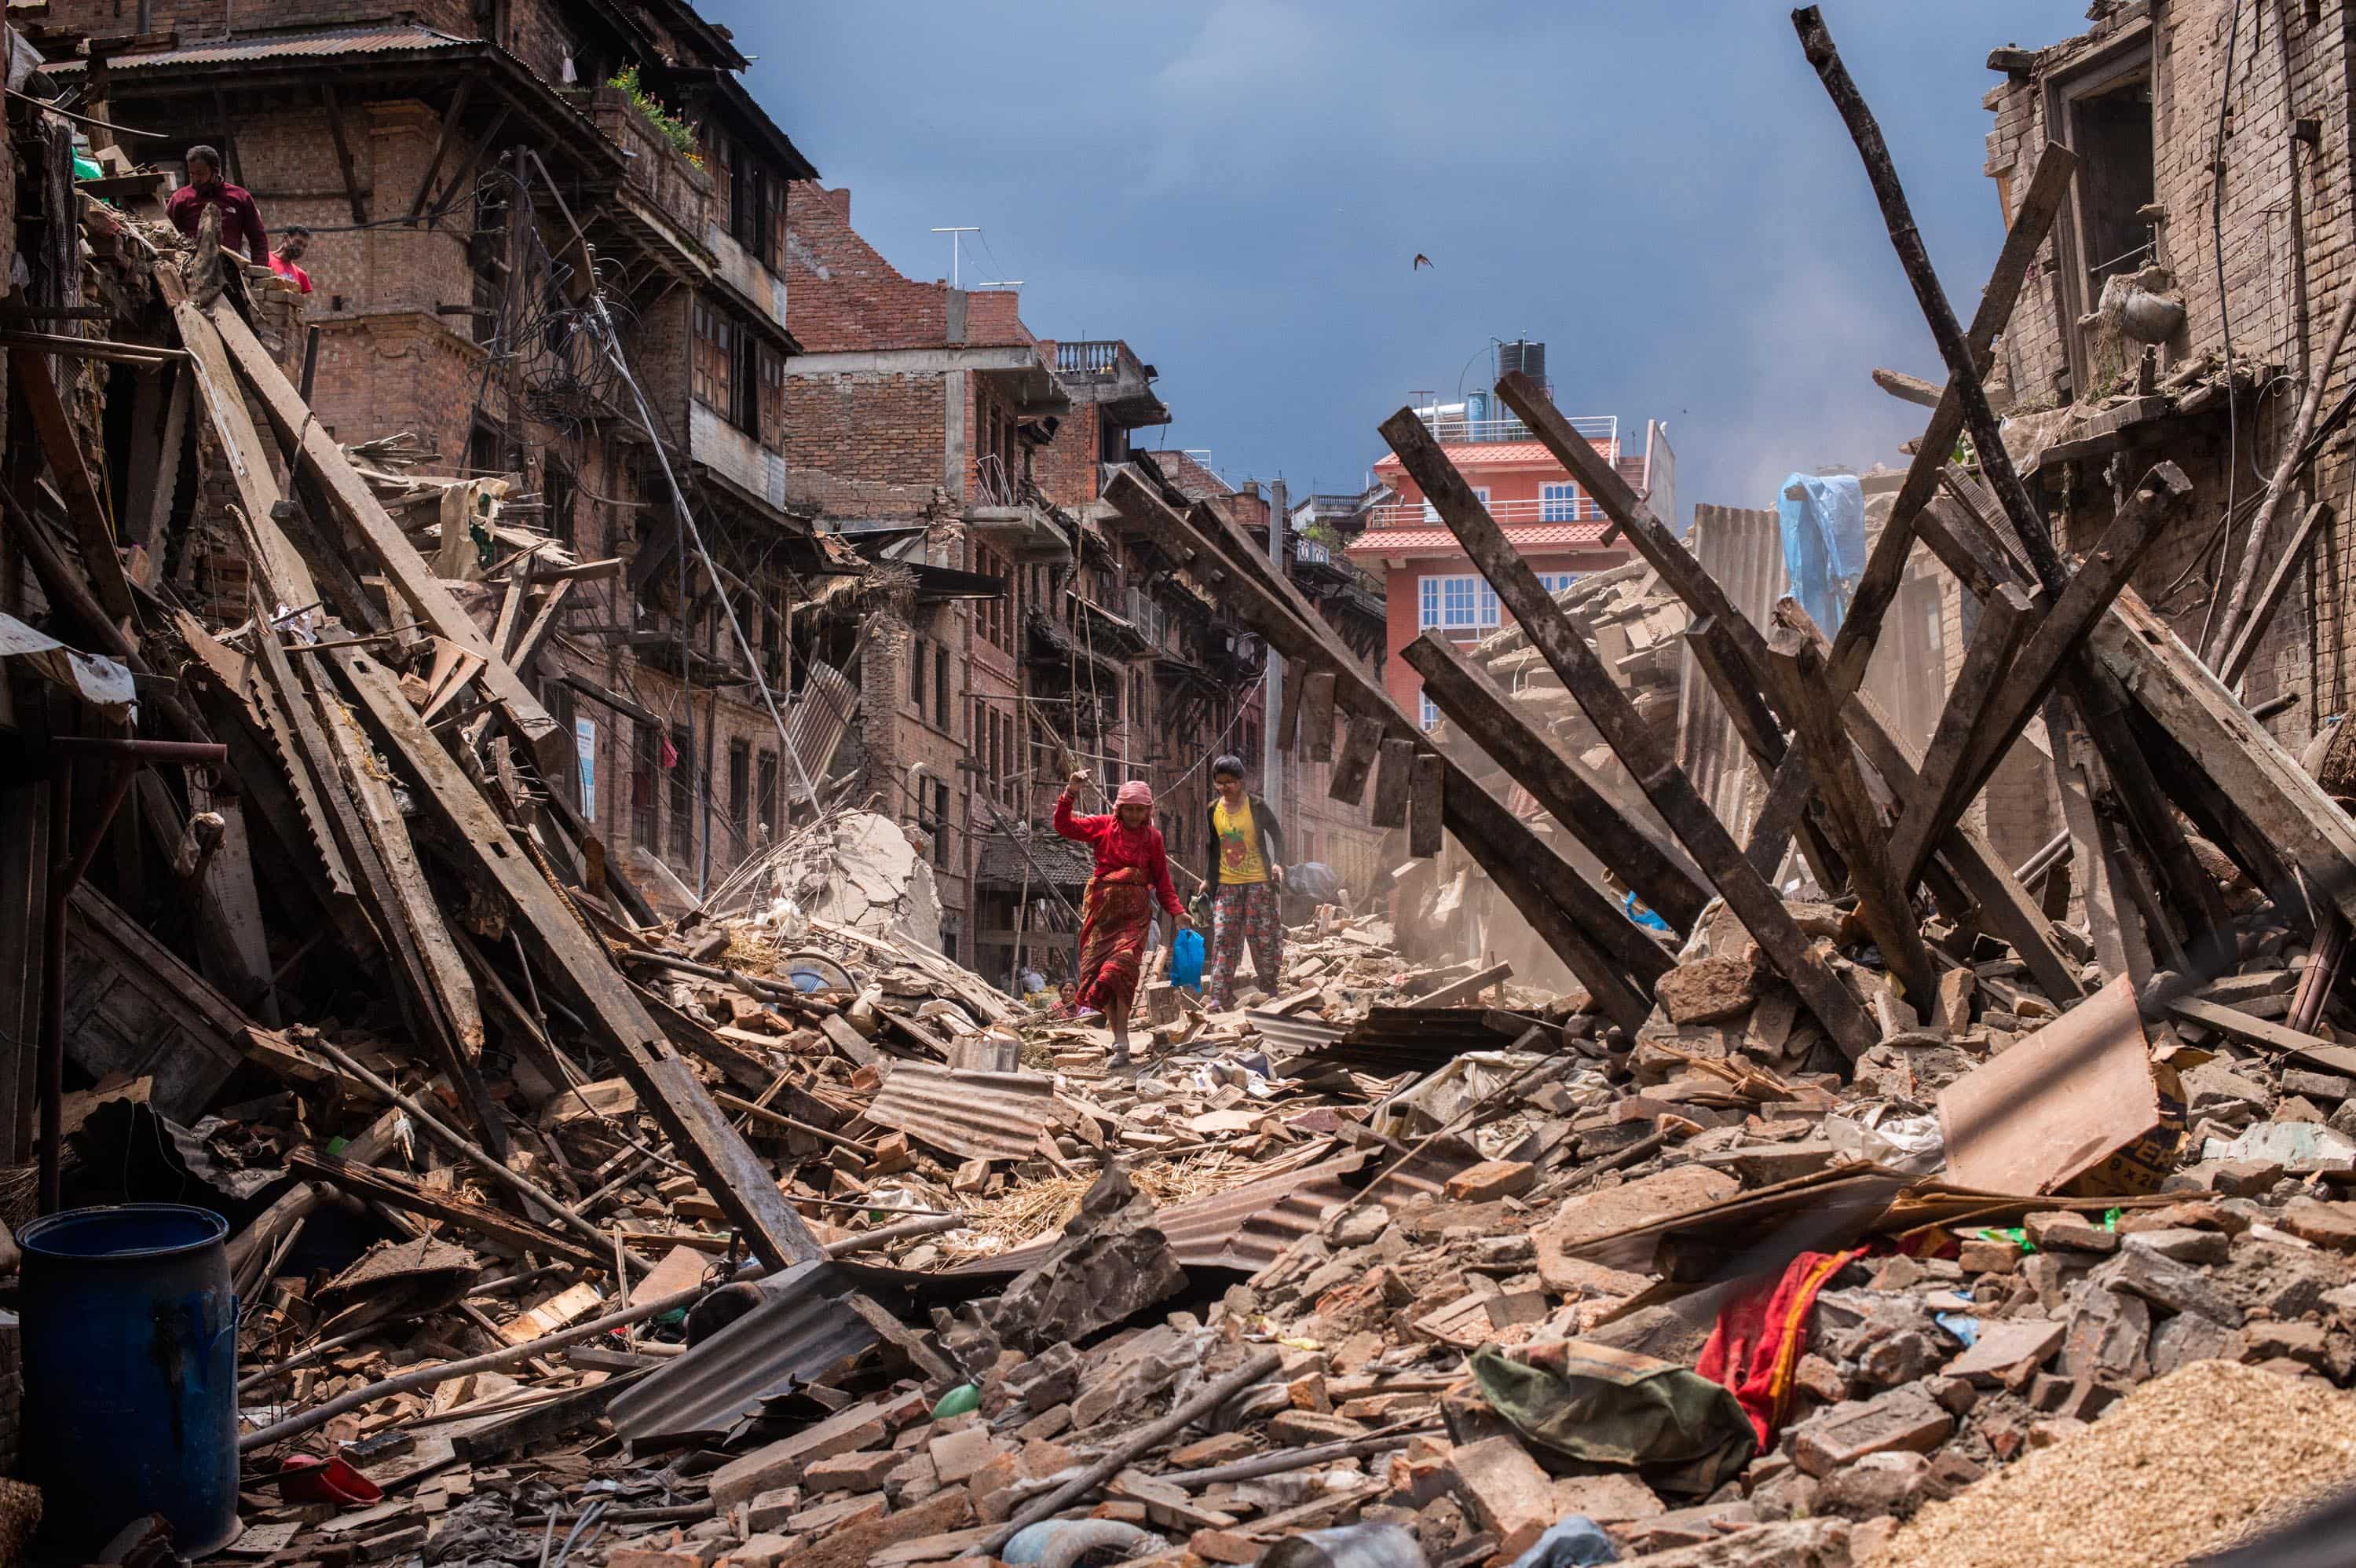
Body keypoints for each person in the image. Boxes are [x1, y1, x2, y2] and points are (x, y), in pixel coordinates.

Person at [1052, 772, 1187, 1065]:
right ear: (1120, 809)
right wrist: (1071, 792)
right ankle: (1120, 1043)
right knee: (1104, 980)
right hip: (1102, 916)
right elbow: (1063, 826)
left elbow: (1163, 881)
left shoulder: (1153, 838)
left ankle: (1122, 1040)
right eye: (1130, 809)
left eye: (1141, 809)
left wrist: (1177, 912)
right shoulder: (1102, 826)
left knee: (1121, 969)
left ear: (1148, 811)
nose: (1135, 815)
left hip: (1134, 918)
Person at [1201, 754, 1286, 1011]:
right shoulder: (1213, 810)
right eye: (1220, 782)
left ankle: (1269, 985)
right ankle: (1219, 995)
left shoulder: (1257, 806)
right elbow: (1215, 848)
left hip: (1258, 882)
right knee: (1225, 936)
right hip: (1227, 886)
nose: (1225, 787)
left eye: (1230, 782)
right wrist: (1208, 879)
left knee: (1261, 935)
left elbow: (1278, 836)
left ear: (1241, 781)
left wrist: (1278, 863)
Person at [166, 144, 269, 267]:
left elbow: (258, 238)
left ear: (215, 171)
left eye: (200, 174)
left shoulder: (240, 197)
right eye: (191, 174)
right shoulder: (180, 198)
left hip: (231, 269)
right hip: (190, 269)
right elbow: (167, 236)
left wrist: (259, 269)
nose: (195, 179)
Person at [270, 225, 314, 294]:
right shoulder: (264, 259)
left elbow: (299, 303)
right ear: (285, 238)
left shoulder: (302, 275)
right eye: (298, 242)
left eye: (304, 246)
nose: (301, 248)